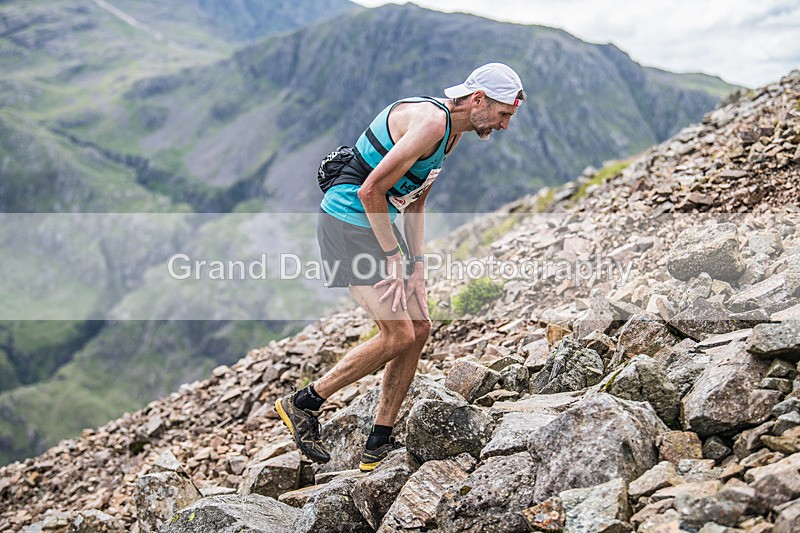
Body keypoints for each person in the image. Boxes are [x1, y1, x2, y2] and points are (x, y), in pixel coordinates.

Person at [275, 63, 526, 471]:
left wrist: (418, 265)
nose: (504, 125)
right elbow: (370, 189)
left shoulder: (452, 134)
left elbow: (417, 203)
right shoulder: (430, 123)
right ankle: (303, 403)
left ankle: (379, 440)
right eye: (503, 114)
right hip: (347, 222)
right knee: (398, 332)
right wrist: (395, 258)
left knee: (421, 327)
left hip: (375, 225)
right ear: (478, 99)